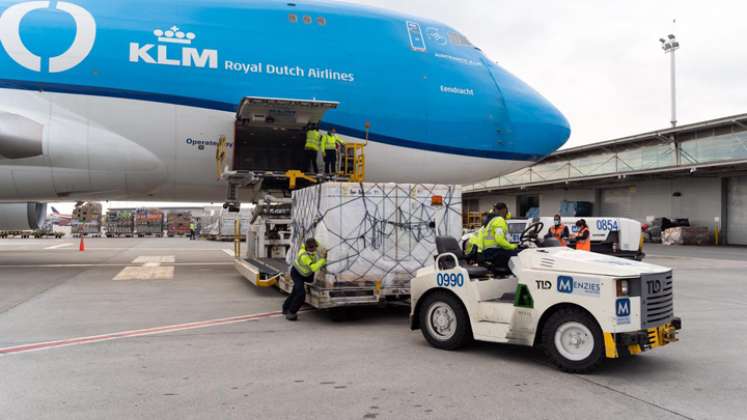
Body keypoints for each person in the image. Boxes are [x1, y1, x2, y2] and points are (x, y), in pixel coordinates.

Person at [283, 238, 327, 321]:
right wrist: (323, 260)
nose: (315, 249)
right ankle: (291, 312)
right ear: (309, 248)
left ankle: (285, 308)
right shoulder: (304, 255)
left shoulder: (313, 247)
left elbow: (317, 243)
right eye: (313, 248)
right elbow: (314, 268)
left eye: (315, 247)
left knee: (295, 292)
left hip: (305, 275)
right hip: (297, 274)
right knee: (300, 294)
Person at [481, 202, 519, 272]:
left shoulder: (491, 221)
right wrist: (513, 246)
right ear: (504, 210)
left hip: (488, 253)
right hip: (495, 252)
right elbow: (499, 240)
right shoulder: (499, 220)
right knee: (521, 254)